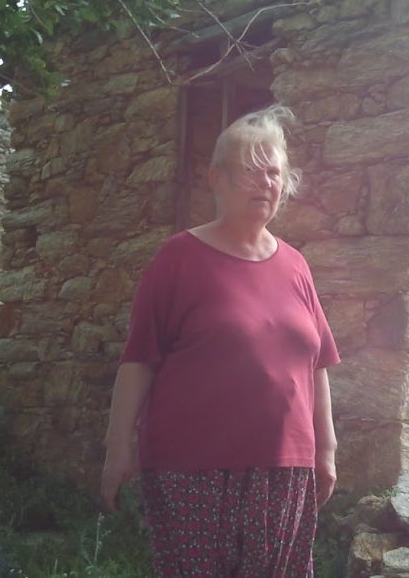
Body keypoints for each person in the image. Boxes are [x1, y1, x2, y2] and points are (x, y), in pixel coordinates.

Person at [100, 105, 339, 577]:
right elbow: (139, 359)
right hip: (193, 469)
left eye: (273, 172)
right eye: (250, 170)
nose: (265, 182)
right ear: (217, 179)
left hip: (285, 468)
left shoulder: (296, 265)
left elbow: (317, 364)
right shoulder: (178, 258)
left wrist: (326, 449)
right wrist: (117, 446)